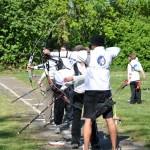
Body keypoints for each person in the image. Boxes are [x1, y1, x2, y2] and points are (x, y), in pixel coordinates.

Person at [43, 34, 121, 150]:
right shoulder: (109, 53)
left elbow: (68, 54)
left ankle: (86, 148)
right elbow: (117, 49)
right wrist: (103, 50)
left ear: (93, 44)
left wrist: (50, 53)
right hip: (106, 91)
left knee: (88, 120)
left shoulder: (88, 55)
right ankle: (114, 148)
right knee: (109, 119)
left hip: (92, 92)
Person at [64, 45, 100, 149]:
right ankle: (75, 140)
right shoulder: (74, 65)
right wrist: (63, 87)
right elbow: (70, 77)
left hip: (89, 93)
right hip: (77, 93)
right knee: (76, 117)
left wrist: (73, 78)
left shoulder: (91, 65)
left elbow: (86, 76)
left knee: (91, 118)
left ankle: (94, 140)